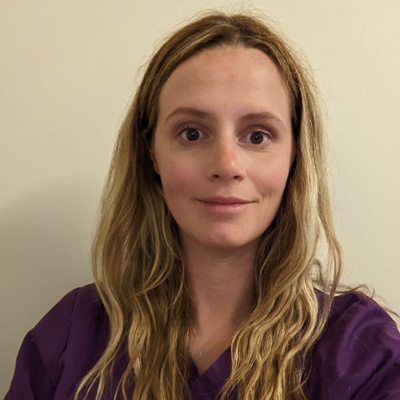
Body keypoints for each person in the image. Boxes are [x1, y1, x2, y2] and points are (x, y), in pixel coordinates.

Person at [5, 11, 400, 400]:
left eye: (258, 136)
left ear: (295, 155)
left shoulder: (362, 354)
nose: (226, 165)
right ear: (151, 153)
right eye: (192, 133)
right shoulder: (70, 339)